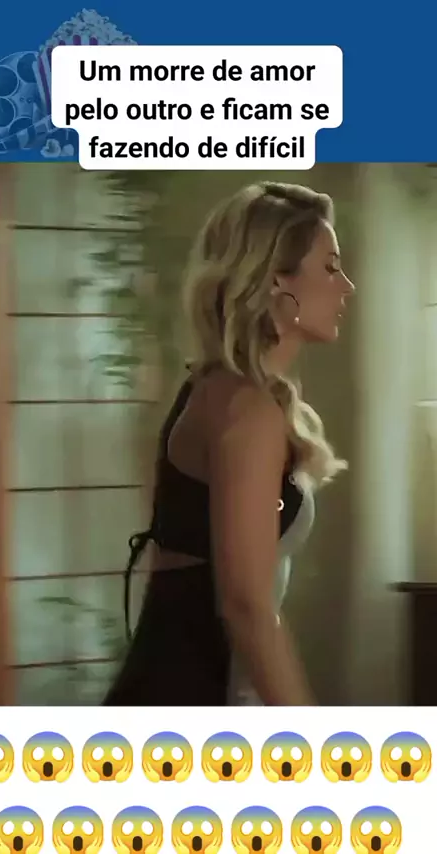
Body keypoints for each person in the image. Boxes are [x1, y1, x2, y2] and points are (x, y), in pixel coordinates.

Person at [102, 181, 354, 707]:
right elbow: (246, 608)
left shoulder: (229, 392)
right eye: (330, 268)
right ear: (277, 281)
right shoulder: (245, 406)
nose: (347, 286)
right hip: (184, 701)